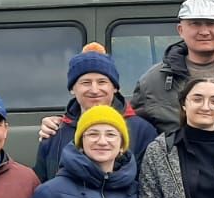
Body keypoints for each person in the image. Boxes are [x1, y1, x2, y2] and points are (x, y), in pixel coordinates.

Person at [34, 43, 158, 182]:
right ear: (72, 89)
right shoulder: (54, 132)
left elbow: (150, 189)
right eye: (86, 82)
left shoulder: (142, 131)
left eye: (102, 82)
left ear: (115, 87)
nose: (94, 90)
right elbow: (41, 184)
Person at [132, 0, 214, 135]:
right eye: (195, 24)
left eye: (211, 24)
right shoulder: (152, 82)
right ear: (180, 30)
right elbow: (136, 133)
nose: (204, 32)